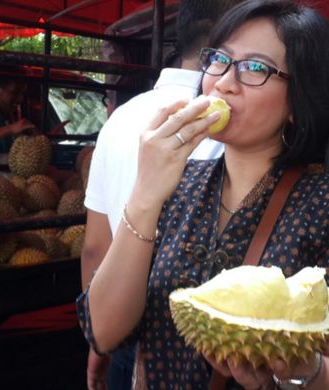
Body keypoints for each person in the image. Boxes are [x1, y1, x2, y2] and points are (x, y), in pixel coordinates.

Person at [78, 1, 329, 389]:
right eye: (219, 59)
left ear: (299, 100)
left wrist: (302, 372)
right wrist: (144, 195)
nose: (223, 82)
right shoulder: (180, 185)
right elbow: (103, 332)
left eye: (254, 67)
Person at [81, 1, 240, 388]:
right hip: (206, 350)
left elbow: (95, 251)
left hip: (123, 332)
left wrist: (97, 344)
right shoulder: (230, 127)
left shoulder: (119, 119)